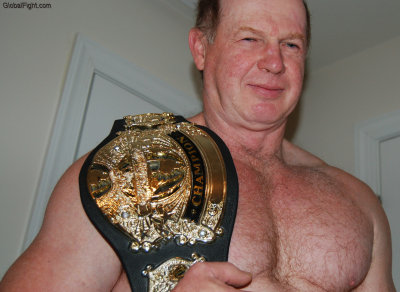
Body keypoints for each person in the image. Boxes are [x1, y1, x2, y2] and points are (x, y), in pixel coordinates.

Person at [0, 0, 395, 290]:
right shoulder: (123, 172)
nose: (274, 62)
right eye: (249, 38)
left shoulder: (358, 201)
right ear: (201, 49)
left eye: (290, 44)